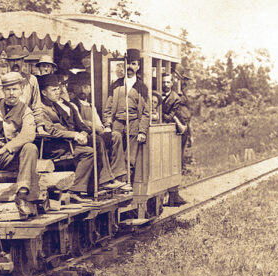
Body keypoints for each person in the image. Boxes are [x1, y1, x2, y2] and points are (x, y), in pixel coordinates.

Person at [0, 71, 39, 218]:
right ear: (2, 91)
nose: (11, 93)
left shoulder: (26, 111)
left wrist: (5, 149)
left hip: (11, 157)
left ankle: (22, 195)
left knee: (30, 148)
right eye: (8, 89)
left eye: (15, 89)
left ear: (21, 90)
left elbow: (28, 135)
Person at [34, 73, 100, 197]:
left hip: (62, 143)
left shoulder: (54, 105)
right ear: (43, 92)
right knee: (89, 153)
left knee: (93, 146)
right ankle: (74, 190)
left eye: (58, 89)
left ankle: (79, 188)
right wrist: (74, 134)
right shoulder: (41, 109)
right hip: (51, 146)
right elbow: (51, 131)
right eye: (53, 90)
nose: (57, 92)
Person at [102, 48, 150, 182]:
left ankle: (126, 184)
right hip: (117, 122)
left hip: (134, 123)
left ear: (138, 66)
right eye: (128, 63)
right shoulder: (116, 85)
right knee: (114, 152)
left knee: (130, 156)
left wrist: (142, 131)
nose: (130, 66)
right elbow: (108, 108)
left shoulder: (142, 87)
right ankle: (115, 182)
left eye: (134, 64)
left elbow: (146, 112)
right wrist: (107, 124)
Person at [70, 76, 126, 187]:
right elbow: (81, 123)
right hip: (83, 136)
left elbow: (98, 124)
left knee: (116, 136)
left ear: (90, 89)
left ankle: (116, 174)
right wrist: (92, 126)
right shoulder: (73, 105)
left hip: (95, 132)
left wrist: (102, 128)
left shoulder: (91, 106)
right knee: (99, 140)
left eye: (85, 87)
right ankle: (105, 179)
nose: (82, 90)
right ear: (75, 89)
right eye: (79, 87)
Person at [161, 72, 191, 206]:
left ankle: (174, 194)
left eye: (168, 82)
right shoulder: (179, 94)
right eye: (183, 80)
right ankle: (172, 195)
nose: (165, 85)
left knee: (175, 161)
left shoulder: (178, 96)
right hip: (174, 130)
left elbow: (179, 116)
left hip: (176, 131)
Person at [0, 45, 42, 112]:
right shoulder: (1, 82)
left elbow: (37, 106)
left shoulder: (31, 80)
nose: (15, 63)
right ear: (8, 62)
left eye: (18, 60)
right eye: (12, 60)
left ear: (22, 61)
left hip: (27, 118)